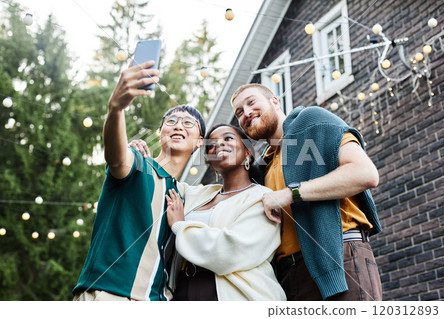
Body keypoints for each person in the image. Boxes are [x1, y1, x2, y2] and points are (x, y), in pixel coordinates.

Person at [230, 83, 383, 301]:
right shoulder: (264, 164)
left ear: (275, 102)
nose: (246, 113)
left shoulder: (311, 121)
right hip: (290, 278)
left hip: (341, 259)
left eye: (251, 102)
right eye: (238, 112)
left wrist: (292, 193)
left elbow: (365, 173)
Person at [72, 59, 205, 301]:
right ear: (161, 133)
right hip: (109, 297)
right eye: (171, 121)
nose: (178, 126)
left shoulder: (188, 195)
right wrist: (116, 109)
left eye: (188, 123)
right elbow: (117, 158)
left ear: (200, 142)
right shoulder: (138, 164)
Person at [164, 124, 286, 301]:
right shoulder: (195, 194)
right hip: (184, 290)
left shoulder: (261, 197)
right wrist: (139, 153)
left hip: (239, 295)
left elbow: (232, 250)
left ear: (247, 152)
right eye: (211, 145)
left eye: (228, 138)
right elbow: (161, 181)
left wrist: (179, 225)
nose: (218, 145)